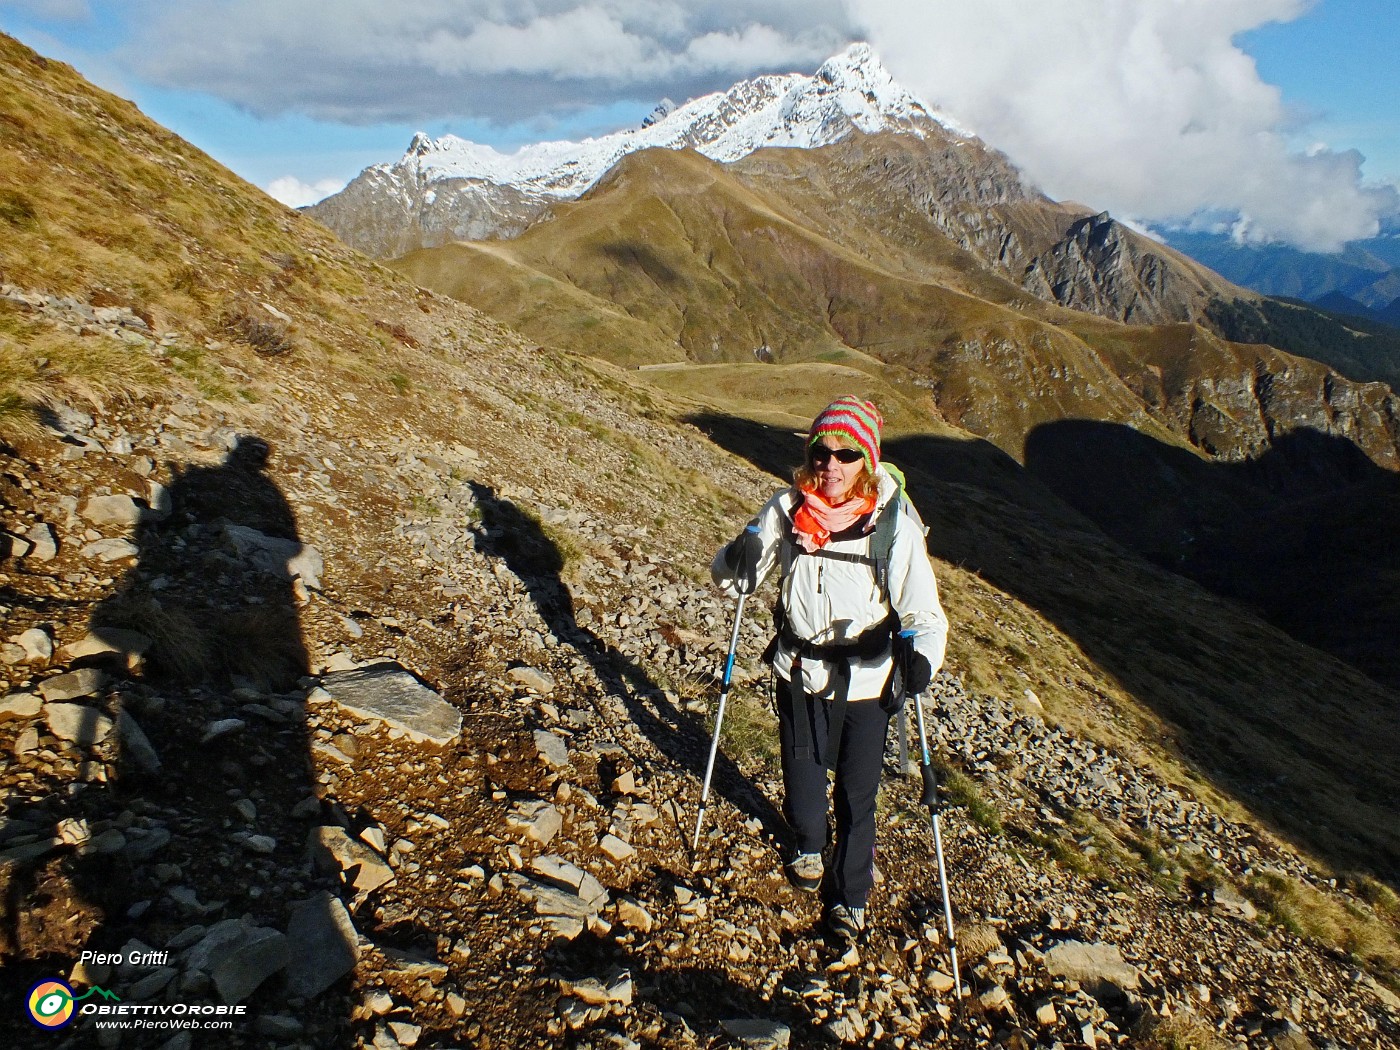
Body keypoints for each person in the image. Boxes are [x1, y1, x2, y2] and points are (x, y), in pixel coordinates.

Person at [711, 396, 948, 942]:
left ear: (867, 459)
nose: (832, 465)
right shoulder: (786, 511)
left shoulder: (894, 528)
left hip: (869, 684)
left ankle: (850, 899)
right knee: (804, 788)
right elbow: (733, 581)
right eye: (823, 451)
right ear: (811, 453)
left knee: (857, 794)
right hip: (797, 675)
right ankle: (809, 842)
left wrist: (922, 663)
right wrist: (738, 553)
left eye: (847, 453)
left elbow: (925, 616)